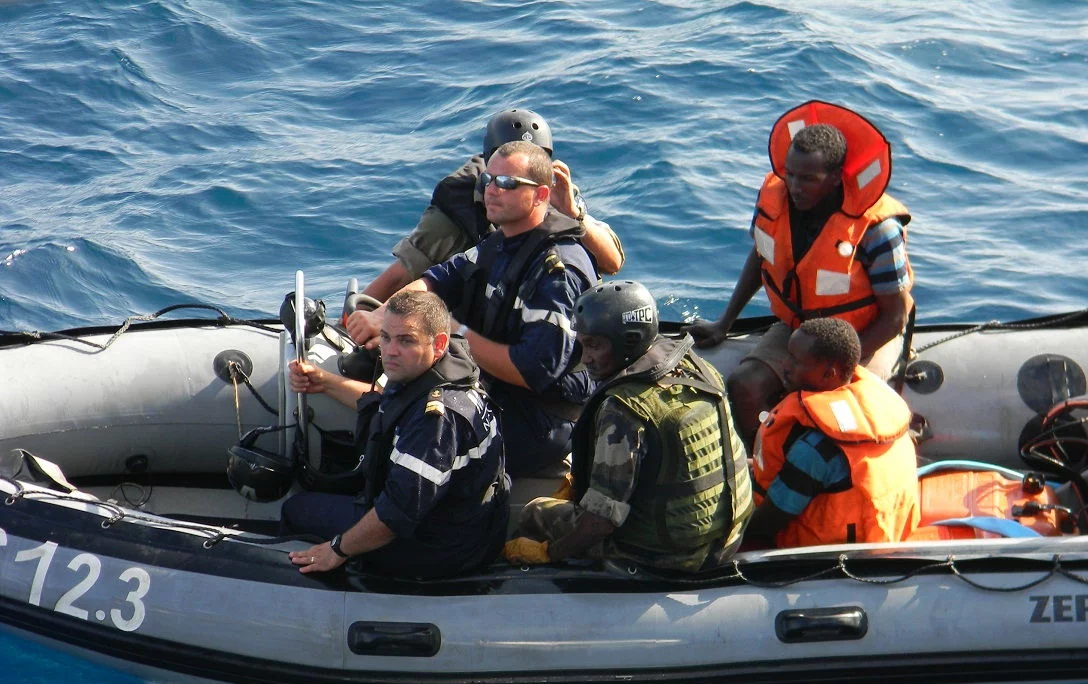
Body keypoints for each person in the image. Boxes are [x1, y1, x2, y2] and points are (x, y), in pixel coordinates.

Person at [347, 140, 600, 476]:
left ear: (540, 196)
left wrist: (457, 332)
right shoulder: (505, 241)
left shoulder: (558, 272)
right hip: (500, 391)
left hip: (540, 421)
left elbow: (532, 371)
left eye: (507, 184)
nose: (492, 191)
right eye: (488, 181)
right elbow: (437, 279)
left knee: (422, 429)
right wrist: (385, 315)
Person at [684, 100, 915, 442]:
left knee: (840, 415)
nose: (794, 185)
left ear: (836, 177)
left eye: (808, 178)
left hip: (862, 338)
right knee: (744, 387)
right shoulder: (775, 200)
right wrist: (724, 323)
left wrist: (841, 368)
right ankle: (761, 466)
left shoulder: (878, 229)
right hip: (800, 329)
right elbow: (761, 256)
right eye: (790, 174)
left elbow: (894, 317)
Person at [504, 280, 753, 571]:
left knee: (535, 512)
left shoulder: (623, 410)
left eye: (594, 346)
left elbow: (600, 522)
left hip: (672, 556)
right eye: (582, 345)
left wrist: (550, 552)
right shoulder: (697, 367)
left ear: (630, 340)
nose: (585, 359)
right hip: (729, 535)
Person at [283, 290, 508, 578]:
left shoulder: (437, 421)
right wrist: (325, 383)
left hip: (441, 547)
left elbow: (395, 515)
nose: (389, 351)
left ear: (438, 343)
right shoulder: (437, 370)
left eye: (406, 340)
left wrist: (336, 550)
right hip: (460, 520)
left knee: (296, 509)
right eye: (386, 337)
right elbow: (383, 406)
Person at [356, 107, 623, 308]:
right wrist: (357, 320)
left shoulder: (555, 193)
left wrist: (574, 215)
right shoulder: (459, 209)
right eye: (500, 178)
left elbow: (612, 262)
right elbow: (400, 277)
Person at [745, 317, 919, 548]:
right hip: (888, 528)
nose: (785, 365)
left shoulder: (814, 450)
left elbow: (766, 525)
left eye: (795, 361)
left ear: (829, 374)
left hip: (833, 554)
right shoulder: (875, 405)